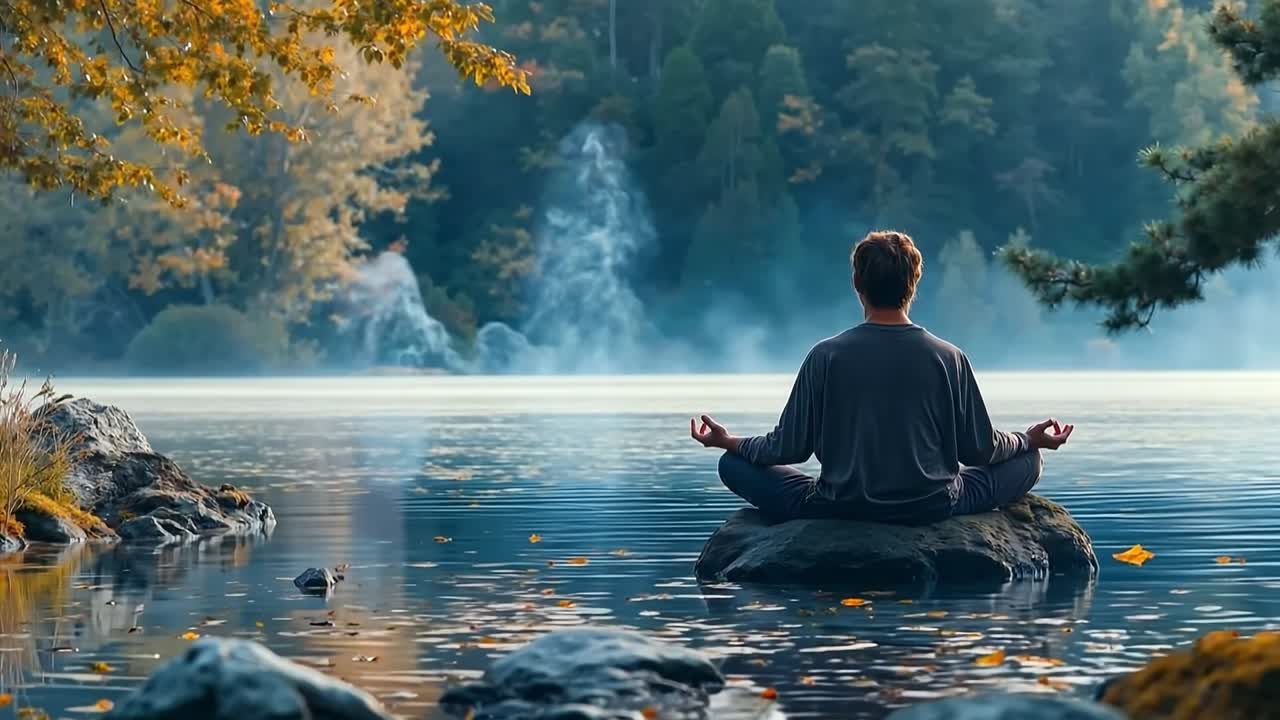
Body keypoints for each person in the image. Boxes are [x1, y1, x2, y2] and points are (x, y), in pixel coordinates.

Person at [689, 230, 1073, 525]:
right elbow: (981, 451)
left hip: (840, 506)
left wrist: (730, 441)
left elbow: (787, 448)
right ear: (914, 283)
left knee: (731, 465)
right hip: (934, 506)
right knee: (1030, 461)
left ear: (857, 283)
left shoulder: (825, 356)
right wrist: (1026, 440)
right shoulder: (949, 357)